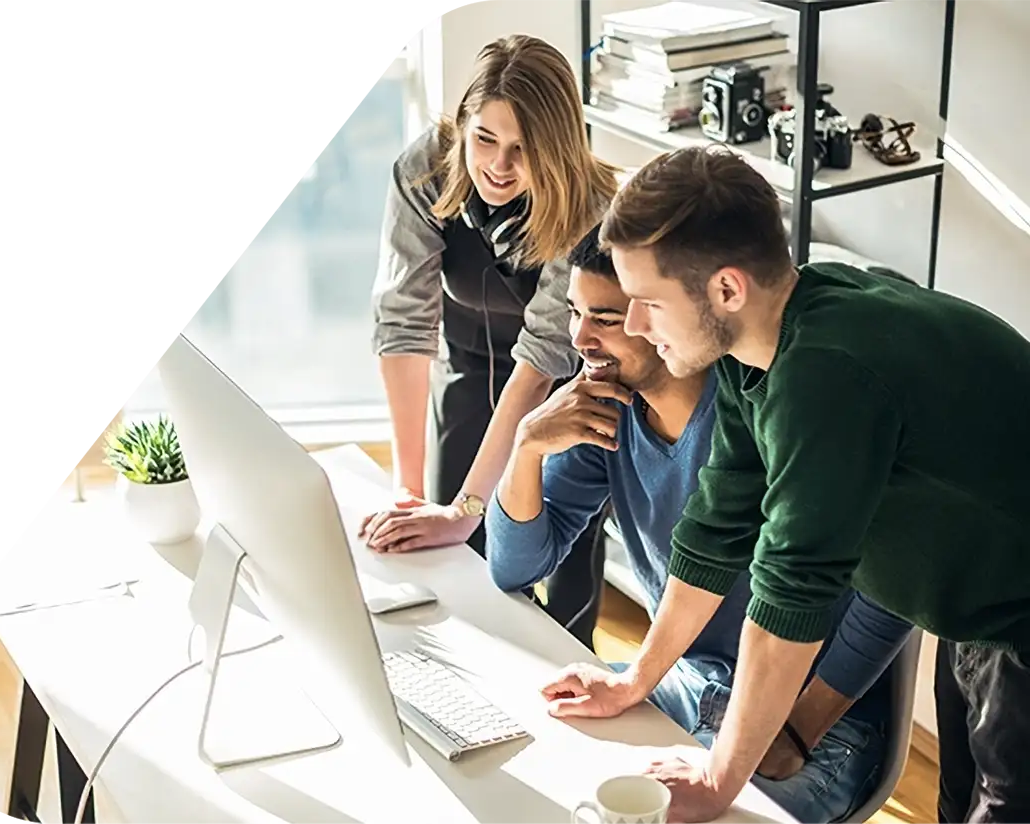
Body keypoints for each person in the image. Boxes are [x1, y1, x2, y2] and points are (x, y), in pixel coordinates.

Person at [538, 145, 1030, 824]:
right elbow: (715, 532)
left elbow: (789, 598)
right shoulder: (760, 349)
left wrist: (717, 781)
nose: (634, 327)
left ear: (727, 289)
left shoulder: (823, 375)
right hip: (977, 614)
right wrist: (634, 681)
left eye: (648, 302)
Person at [486, 225, 914, 824]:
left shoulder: (776, 415)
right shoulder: (604, 410)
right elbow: (514, 566)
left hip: (808, 723)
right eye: (576, 313)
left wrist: (797, 729)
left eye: (605, 318)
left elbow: (895, 588)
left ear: (661, 317)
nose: (579, 339)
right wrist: (528, 444)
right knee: (520, 744)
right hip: (685, 683)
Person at [358, 34, 621, 646]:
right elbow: (403, 325)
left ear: (556, 150)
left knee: (549, 546)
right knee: (449, 535)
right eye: (484, 139)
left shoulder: (590, 208)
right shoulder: (425, 170)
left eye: (522, 150)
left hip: (567, 380)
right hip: (470, 357)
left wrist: (467, 510)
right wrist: (410, 492)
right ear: (463, 124)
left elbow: (541, 360)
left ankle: (564, 661)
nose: (498, 166)